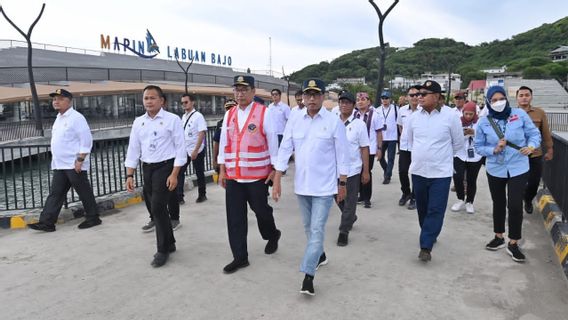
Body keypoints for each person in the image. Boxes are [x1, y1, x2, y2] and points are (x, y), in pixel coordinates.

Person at [273, 78, 348, 296]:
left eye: (316, 94)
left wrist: (342, 183)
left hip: (325, 188)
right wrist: (277, 179)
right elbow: (285, 148)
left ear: (323, 97)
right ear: (303, 97)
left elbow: (343, 156)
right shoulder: (295, 120)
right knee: (308, 228)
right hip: (302, 186)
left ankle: (308, 276)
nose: (312, 98)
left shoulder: (333, 122)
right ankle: (321, 255)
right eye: (308, 94)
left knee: (316, 229)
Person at [217, 75, 281, 274]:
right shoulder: (230, 114)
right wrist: (221, 171)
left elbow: (273, 144)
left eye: (244, 89)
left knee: (262, 211)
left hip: (257, 177)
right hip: (234, 177)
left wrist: (275, 171)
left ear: (253, 91)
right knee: (235, 218)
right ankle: (240, 257)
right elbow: (224, 144)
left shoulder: (264, 113)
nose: (240, 93)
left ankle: (272, 234)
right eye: (237, 89)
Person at [475, 85, 541, 263]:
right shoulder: (484, 122)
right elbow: (478, 146)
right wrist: (494, 149)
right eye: (494, 100)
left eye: (500, 99)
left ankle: (513, 242)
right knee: (498, 202)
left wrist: (532, 146)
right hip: (495, 168)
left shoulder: (519, 115)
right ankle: (498, 236)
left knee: (514, 204)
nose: (498, 103)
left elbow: (534, 133)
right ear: (488, 102)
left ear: (506, 98)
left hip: (519, 166)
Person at [125, 85, 186, 268]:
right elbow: (133, 148)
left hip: (166, 167)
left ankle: (162, 250)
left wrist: (175, 174)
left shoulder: (172, 120)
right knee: (154, 206)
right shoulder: (138, 122)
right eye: (146, 98)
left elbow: (180, 149)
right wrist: (130, 174)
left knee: (158, 207)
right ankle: (171, 242)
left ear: (162, 101)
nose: (149, 101)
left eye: (152, 98)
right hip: (147, 168)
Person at [403, 80, 463, 262]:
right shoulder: (414, 117)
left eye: (424, 94)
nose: (419, 97)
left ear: (437, 97)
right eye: (418, 94)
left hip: (441, 172)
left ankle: (426, 246)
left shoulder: (450, 116)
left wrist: (440, 157)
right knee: (422, 208)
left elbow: (458, 143)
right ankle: (429, 233)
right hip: (419, 171)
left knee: (436, 209)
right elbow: (411, 141)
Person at [28, 89, 102, 232]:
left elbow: (86, 140)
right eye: (54, 99)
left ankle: (93, 218)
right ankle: (47, 223)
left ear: (69, 101)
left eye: (60, 99)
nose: (56, 101)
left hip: (74, 163)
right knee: (55, 193)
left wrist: (80, 160)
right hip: (60, 164)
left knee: (83, 191)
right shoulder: (59, 118)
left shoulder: (76, 117)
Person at [334, 91, 370, 246]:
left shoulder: (359, 125)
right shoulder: (332, 122)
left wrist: (366, 170)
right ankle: (350, 217)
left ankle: (344, 230)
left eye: (347, 102)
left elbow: (364, 148)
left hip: (353, 169)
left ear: (353, 106)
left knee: (350, 200)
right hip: (334, 169)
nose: (343, 105)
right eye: (341, 102)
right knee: (336, 196)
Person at [516, 86, 554, 214]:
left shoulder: (539, 113)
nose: (524, 97)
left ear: (531, 97)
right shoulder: (512, 113)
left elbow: (545, 132)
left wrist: (550, 149)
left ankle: (527, 199)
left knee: (534, 182)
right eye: (521, 95)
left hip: (535, 154)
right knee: (516, 182)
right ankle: (516, 202)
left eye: (527, 95)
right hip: (517, 155)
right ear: (517, 98)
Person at [450, 102, 484, 214]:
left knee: (471, 179)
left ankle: (469, 202)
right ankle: (460, 199)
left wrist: (474, 133)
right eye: (466, 114)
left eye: (471, 114)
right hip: (459, 154)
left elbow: (485, 138)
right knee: (457, 177)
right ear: (462, 112)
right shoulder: (457, 122)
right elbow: (452, 137)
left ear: (475, 113)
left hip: (475, 155)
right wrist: (462, 134)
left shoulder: (480, 123)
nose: (468, 116)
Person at [176, 93, 208, 204]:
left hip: (197, 149)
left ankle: (202, 194)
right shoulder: (183, 117)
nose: (184, 104)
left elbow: (201, 133)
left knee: (199, 172)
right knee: (180, 172)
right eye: (182, 103)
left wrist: (195, 150)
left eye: (186, 102)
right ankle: (179, 197)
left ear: (192, 102)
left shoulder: (198, 116)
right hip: (185, 149)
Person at [354, 92, 383, 208]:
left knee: (366, 172)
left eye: (363, 99)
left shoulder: (375, 115)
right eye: (358, 100)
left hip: (369, 149)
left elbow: (379, 133)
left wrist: (379, 148)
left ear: (368, 102)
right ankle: (360, 195)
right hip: (356, 149)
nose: (360, 102)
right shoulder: (354, 115)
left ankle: (367, 198)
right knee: (357, 172)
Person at [397, 86, 422, 210]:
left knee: (415, 173)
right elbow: (401, 127)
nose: (414, 97)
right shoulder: (402, 110)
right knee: (402, 171)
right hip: (404, 146)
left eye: (417, 95)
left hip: (417, 147)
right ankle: (406, 192)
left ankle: (415, 196)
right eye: (411, 95)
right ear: (407, 97)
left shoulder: (423, 111)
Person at [377, 91, 398, 185]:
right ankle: (386, 169)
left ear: (390, 99)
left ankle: (388, 176)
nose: (384, 100)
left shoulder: (396, 109)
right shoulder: (377, 110)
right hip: (382, 137)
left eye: (386, 98)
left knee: (391, 158)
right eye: (383, 98)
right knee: (380, 157)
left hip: (392, 137)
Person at [213, 99, 237, 173]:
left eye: (232, 108)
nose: (230, 110)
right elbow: (216, 143)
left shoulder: (242, 122)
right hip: (226, 158)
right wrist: (215, 160)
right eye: (228, 108)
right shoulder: (220, 123)